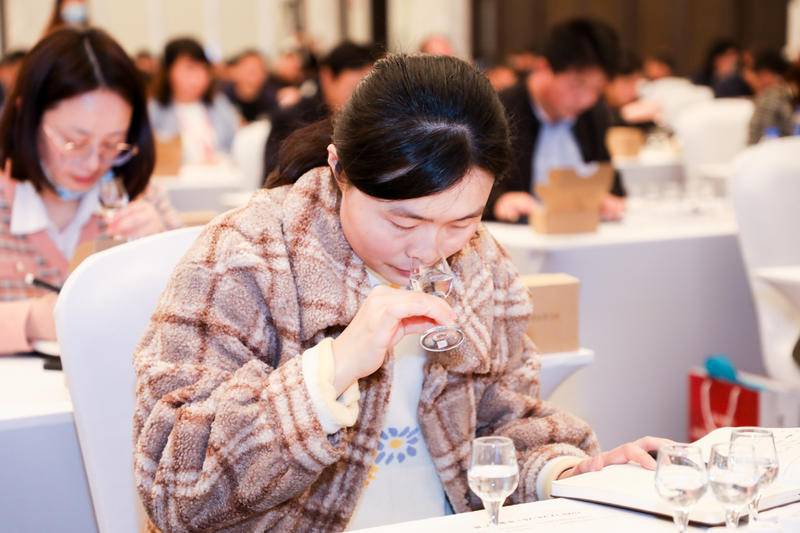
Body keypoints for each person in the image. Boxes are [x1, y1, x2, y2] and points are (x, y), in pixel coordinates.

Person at [133, 53, 668, 532]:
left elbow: (502, 419)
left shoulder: (480, 262)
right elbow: (176, 489)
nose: (429, 251)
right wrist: (333, 367)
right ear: (340, 168)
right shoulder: (244, 257)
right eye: (402, 221)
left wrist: (568, 473)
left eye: (462, 221)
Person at [0, 27, 182, 355]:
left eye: (113, 143)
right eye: (75, 141)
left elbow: (202, 319)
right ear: (27, 115)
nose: (93, 162)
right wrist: (30, 320)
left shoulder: (140, 197)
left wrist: (162, 254)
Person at [487, 18, 626, 223]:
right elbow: (469, 186)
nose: (587, 99)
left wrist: (607, 199)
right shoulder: (498, 112)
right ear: (544, 67)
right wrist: (499, 201)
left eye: (597, 90)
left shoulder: (594, 115)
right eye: (578, 84)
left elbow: (611, 183)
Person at [263, 41, 379, 181]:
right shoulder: (292, 119)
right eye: (354, 88)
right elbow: (277, 177)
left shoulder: (370, 121)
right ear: (327, 76)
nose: (362, 99)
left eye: (369, 91)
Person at [148, 37, 240, 164]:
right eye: (189, 68)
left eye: (203, 68)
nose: (198, 76)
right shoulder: (154, 111)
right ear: (168, 72)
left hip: (220, 173)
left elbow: (235, 145)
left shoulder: (219, 105)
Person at [746, 49, 798, 144]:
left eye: (762, 75)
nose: (758, 80)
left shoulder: (773, 97)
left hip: (770, 147)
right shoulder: (784, 94)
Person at [222, 49, 280, 122]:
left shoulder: (272, 96)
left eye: (261, 69)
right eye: (251, 70)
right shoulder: (223, 99)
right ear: (234, 72)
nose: (258, 74)